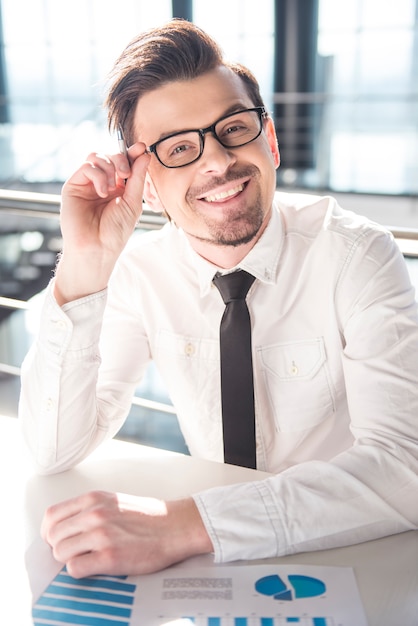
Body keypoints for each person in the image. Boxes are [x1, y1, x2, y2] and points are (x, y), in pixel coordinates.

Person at [19, 19, 418, 579]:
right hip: (214, 573)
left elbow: (406, 465)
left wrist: (182, 525)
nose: (215, 162)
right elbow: (52, 451)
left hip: (352, 553)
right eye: (180, 148)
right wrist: (86, 265)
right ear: (147, 185)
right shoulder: (141, 273)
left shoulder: (357, 255)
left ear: (270, 141)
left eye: (233, 128)